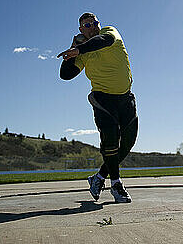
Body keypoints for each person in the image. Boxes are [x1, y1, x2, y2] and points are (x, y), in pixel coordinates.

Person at [57, 12, 138, 203]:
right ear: (80, 30)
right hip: (103, 98)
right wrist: (73, 49)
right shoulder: (83, 53)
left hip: (125, 97)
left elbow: (103, 40)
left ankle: (99, 177)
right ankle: (116, 184)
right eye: (86, 26)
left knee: (128, 142)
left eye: (94, 23)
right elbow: (65, 75)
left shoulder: (110, 33)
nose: (92, 27)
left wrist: (80, 49)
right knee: (110, 139)